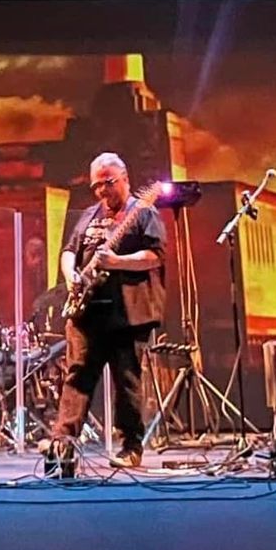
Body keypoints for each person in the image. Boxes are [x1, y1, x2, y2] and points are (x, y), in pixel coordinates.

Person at [50, 152, 167, 470]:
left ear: (125, 179)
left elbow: (155, 255)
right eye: (96, 185)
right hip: (87, 311)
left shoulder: (143, 212)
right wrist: (71, 275)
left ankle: (131, 446)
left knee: (126, 379)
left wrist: (118, 262)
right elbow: (69, 251)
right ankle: (63, 443)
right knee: (77, 375)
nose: (102, 190)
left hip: (127, 312)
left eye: (108, 182)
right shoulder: (89, 215)